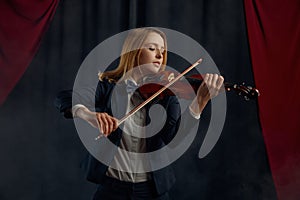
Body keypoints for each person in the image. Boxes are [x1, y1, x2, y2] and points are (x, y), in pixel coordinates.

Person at [55, 27, 224, 200]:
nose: (159, 55)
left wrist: (199, 104)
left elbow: (173, 140)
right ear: (134, 51)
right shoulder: (109, 88)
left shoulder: (165, 93)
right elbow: (66, 97)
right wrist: (88, 115)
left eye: (162, 50)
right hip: (112, 189)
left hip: (151, 190)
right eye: (152, 48)